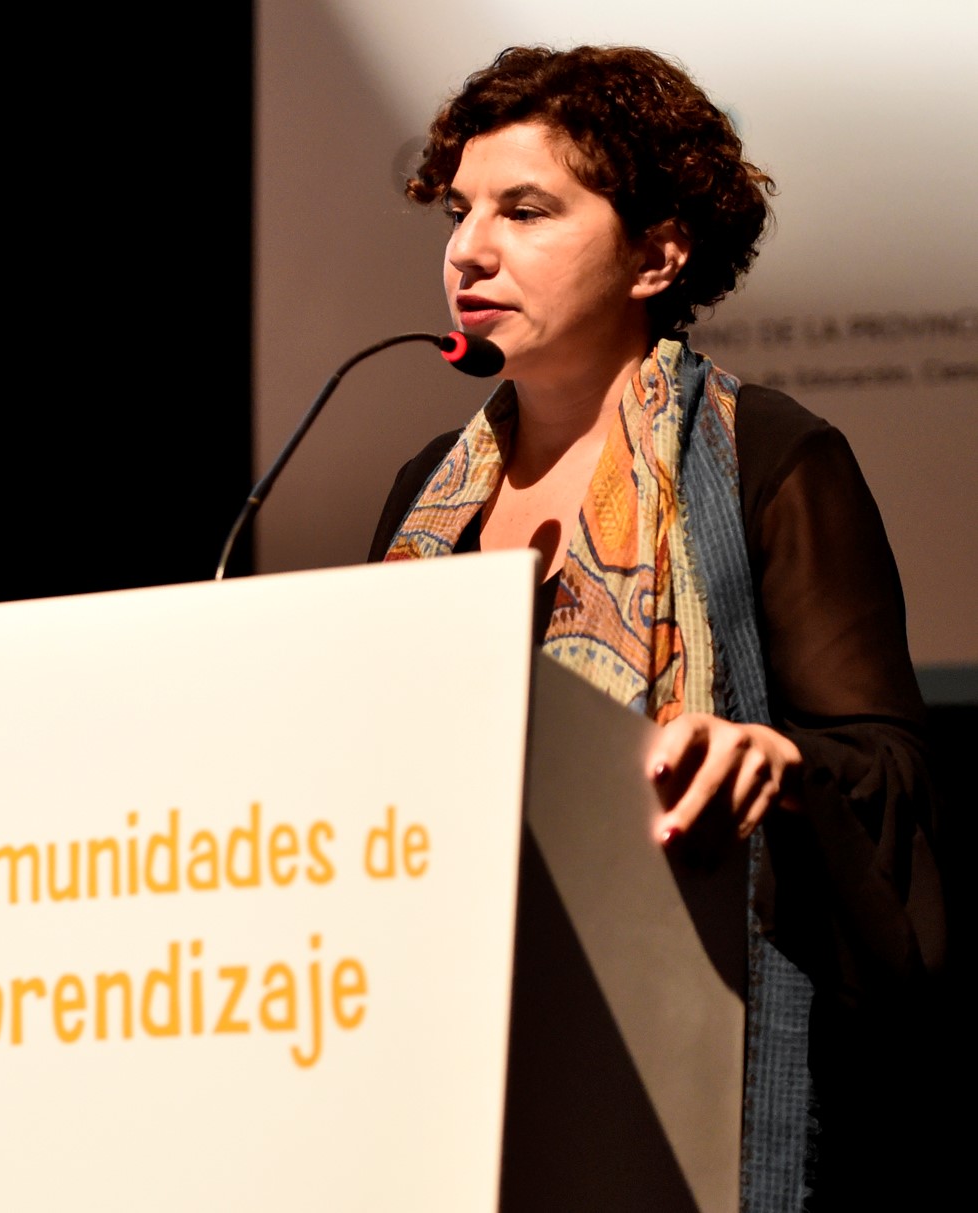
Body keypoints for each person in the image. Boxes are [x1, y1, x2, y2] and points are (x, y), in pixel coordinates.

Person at [368, 46, 948, 1212]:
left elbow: (885, 768)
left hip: (679, 1035)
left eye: (525, 209)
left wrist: (776, 762)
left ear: (658, 253)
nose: (469, 249)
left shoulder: (767, 458)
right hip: (449, 1046)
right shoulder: (427, 494)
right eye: (460, 209)